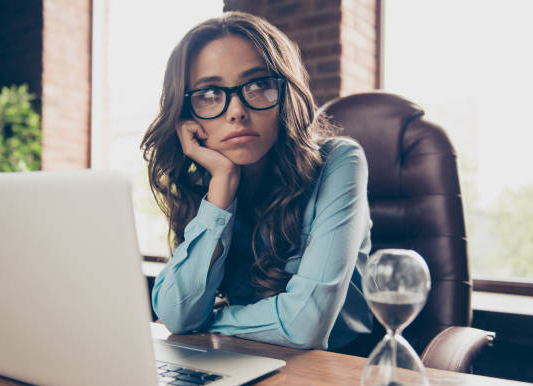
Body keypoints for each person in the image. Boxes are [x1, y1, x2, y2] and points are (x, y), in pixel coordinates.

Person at [141, 11, 372, 350]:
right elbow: (177, 314)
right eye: (209, 93)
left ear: (285, 95)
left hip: (340, 371)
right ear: (187, 115)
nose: (236, 111)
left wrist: (207, 321)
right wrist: (221, 186)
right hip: (246, 361)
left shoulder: (340, 161)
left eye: (258, 84)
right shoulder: (207, 181)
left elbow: (305, 325)